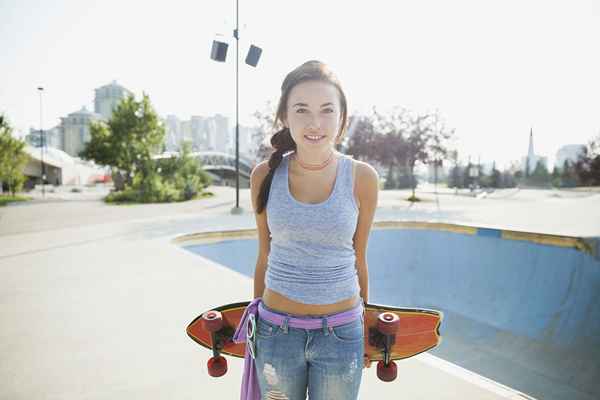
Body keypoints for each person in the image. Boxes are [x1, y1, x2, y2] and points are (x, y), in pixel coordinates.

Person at [247, 60, 379, 400]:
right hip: (275, 333)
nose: (315, 123)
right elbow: (264, 254)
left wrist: (365, 329)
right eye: (302, 110)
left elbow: (359, 258)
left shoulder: (362, 178)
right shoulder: (264, 175)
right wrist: (256, 329)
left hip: (341, 334)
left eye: (326, 110)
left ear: (342, 118)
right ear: (285, 116)